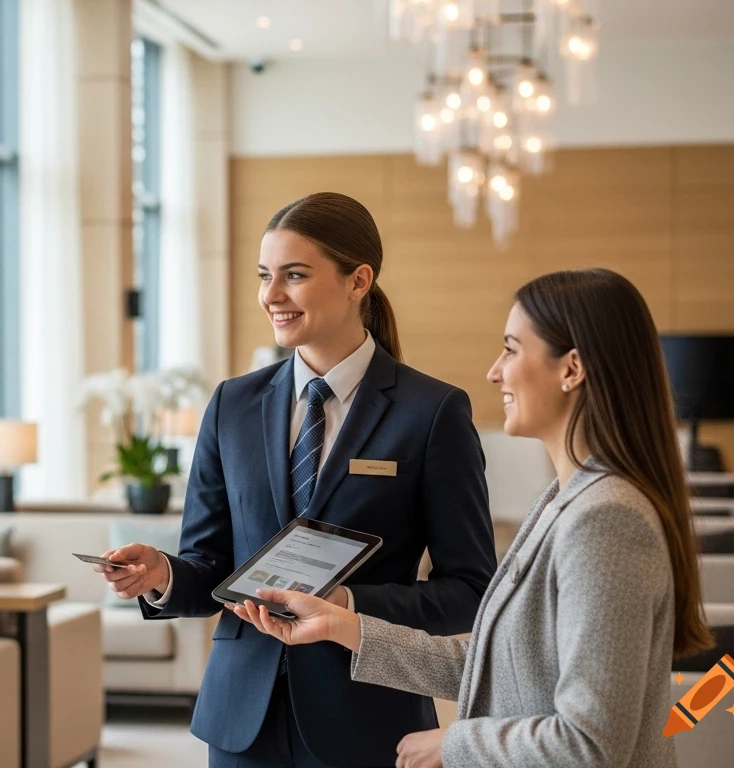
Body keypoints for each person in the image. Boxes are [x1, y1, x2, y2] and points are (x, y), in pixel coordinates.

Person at [232, 268, 713, 768]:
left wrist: (454, 744)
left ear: (571, 369)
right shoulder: (564, 499)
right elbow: (497, 669)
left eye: (511, 349)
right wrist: (342, 625)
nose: (494, 371)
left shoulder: (606, 519)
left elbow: (591, 743)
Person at [97, 192, 498, 767]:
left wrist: (345, 605)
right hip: (243, 719)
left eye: (294, 275)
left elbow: (470, 590)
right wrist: (161, 575)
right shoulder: (231, 405)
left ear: (359, 280)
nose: (271, 296)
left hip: (368, 715)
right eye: (264, 276)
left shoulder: (431, 412)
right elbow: (210, 566)